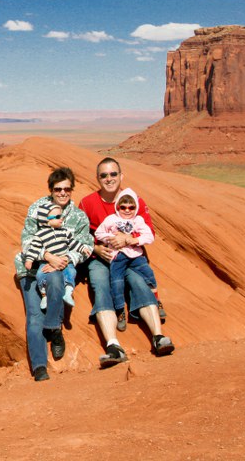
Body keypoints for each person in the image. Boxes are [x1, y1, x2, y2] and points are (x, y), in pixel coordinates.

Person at [78, 157, 175, 367]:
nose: (109, 179)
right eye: (104, 175)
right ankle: (113, 346)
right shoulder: (87, 203)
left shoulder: (132, 201)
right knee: (100, 286)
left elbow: (148, 230)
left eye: (113, 174)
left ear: (121, 176)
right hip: (100, 257)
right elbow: (77, 234)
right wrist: (95, 248)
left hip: (129, 256)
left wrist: (127, 239)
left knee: (139, 283)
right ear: (97, 178)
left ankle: (158, 337)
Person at [15, 167, 93, 381]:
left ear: (72, 190)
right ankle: (40, 366)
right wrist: (47, 256)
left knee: (57, 277)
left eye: (67, 189)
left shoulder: (78, 217)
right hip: (30, 268)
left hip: (60, 268)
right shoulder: (37, 209)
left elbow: (86, 245)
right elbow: (27, 239)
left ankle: (54, 328)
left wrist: (67, 259)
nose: (62, 193)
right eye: (57, 189)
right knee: (33, 316)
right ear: (51, 189)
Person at [94, 188, 163, 331]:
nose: (127, 210)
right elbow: (99, 233)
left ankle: (156, 300)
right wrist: (111, 238)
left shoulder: (138, 220)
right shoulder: (111, 219)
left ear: (135, 208)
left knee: (148, 274)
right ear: (118, 207)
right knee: (117, 283)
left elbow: (149, 236)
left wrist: (132, 240)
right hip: (117, 257)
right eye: (123, 207)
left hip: (135, 255)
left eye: (131, 207)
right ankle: (120, 311)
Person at [23, 204, 80, 310]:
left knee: (71, 271)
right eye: (58, 217)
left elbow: (73, 243)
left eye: (61, 216)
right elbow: (34, 249)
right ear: (46, 220)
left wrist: (81, 248)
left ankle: (68, 292)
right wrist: (29, 260)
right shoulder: (40, 235)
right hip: (46, 263)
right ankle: (44, 295)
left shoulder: (64, 232)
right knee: (40, 274)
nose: (61, 219)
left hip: (64, 259)